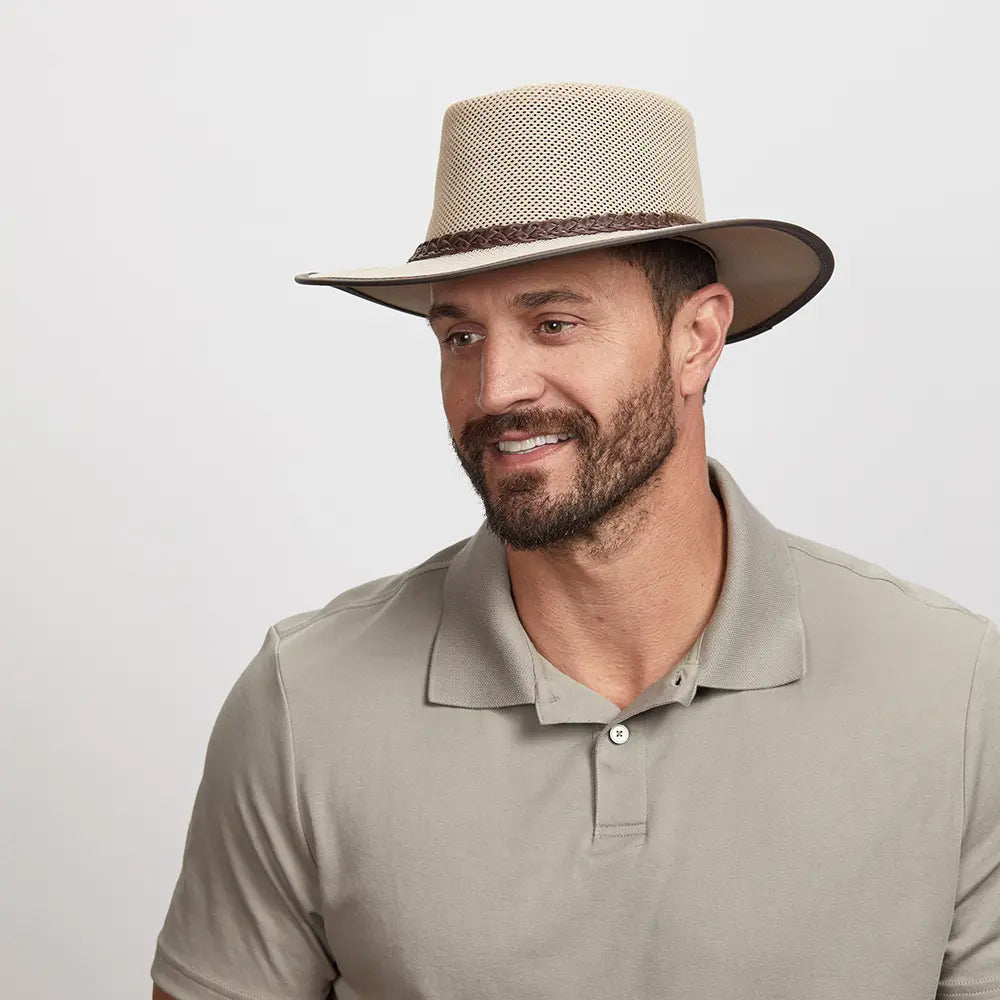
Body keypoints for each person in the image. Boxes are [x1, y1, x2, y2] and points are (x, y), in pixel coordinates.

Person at [150, 82, 999, 1000]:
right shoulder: (302, 702)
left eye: (553, 323)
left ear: (699, 339)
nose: (495, 387)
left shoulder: (952, 691)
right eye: (460, 334)